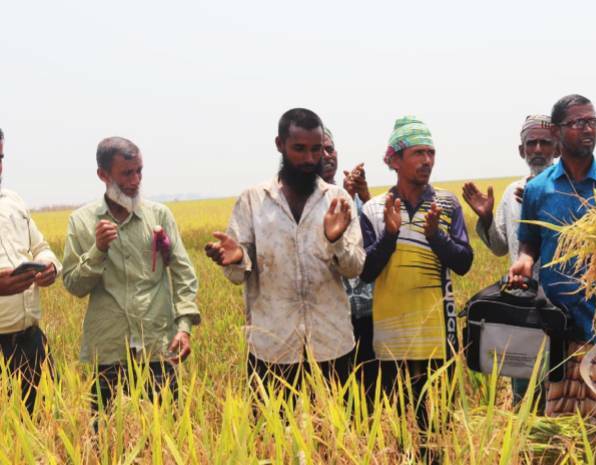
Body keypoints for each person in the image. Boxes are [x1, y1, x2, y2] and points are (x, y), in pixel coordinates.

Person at [205, 108, 364, 396]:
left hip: (332, 343)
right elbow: (236, 275)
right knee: (271, 424)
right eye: (299, 149)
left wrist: (336, 240)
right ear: (280, 145)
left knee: (337, 422)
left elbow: (354, 268)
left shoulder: (337, 200)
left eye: (316, 149)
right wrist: (238, 258)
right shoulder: (253, 200)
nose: (310, 159)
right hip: (272, 346)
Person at [508, 96, 596, 445]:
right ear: (557, 131)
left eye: (592, 121)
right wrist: (524, 262)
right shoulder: (538, 189)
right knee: (561, 433)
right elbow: (529, 243)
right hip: (556, 326)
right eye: (577, 123)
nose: (587, 129)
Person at [63, 136, 201, 411]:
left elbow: (184, 273)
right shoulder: (81, 222)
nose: (136, 180)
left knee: (166, 427)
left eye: (139, 171)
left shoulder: (159, 216)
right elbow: (74, 285)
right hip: (108, 351)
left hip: (157, 347)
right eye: (127, 173)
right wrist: (98, 249)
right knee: (105, 430)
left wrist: (184, 326)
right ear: (103, 175)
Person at [359, 116, 473, 439]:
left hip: (439, 339)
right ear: (395, 160)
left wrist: (436, 236)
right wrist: (389, 236)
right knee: (398, 433)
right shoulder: (374, 210)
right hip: (390, 342)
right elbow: (365, 271)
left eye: (431, 153)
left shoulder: (447, 204)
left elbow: (464, 263)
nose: (427, 161)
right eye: (418, 153)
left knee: (439, 434)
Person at [462, 114, 557, 407]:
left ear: (557, 147)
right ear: (521, 150)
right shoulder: (511, 193)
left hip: (560, 306)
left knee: (561, 388)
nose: (538, 149)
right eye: (531, 143)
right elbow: (500, 247)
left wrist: (540, 205)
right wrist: (486, 218)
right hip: (522, 306)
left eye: (545, 143)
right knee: (524, 392)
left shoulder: (567, 188)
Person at [0, 128, 61, 415]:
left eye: (0, 157)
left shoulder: (13, 201)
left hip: (30, 342)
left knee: (48, 422)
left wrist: (49, 267)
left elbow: (41, 247)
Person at [320, 127, 378, 401]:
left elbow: (381, 238)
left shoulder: (353, 197)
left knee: (370, 394)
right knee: (334, 396)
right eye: (318, 150)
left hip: (367, 313)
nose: (326, 155)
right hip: (330, 318)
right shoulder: (305, 204)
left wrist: (364, 197)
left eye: (329, 149)